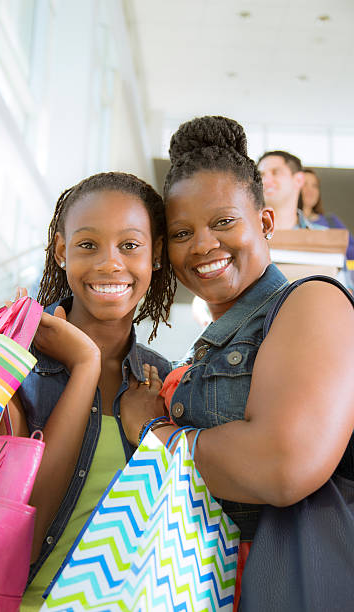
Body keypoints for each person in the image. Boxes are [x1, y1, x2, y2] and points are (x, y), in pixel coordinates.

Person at [119, 116, 354, 609]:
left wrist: (155, 432)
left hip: (292, 585)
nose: (203, 245)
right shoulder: (201, 352)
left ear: (264, 222)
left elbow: (284, 464)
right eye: (182, 232)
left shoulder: (313, 303)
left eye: (224, 221)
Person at [9, 172, 175, 610]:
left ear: (155, 254)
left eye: (130, 245)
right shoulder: (13, 361)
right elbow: (19, 546)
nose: (109, 264)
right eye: (87, 245)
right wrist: (85, 367)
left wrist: (154, 434)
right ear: (62, 252)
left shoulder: (160, 379)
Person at [301, 167, 354, 260]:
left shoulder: (331, 222)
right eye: (305, 184)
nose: (310, 190)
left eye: (315, 185)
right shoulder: (286, 223)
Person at [257, 150, 319, 229]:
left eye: (275, 172)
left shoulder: (325, 237)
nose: (265, 181)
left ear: (298, 180)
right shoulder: (243, 236)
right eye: (261, 175)